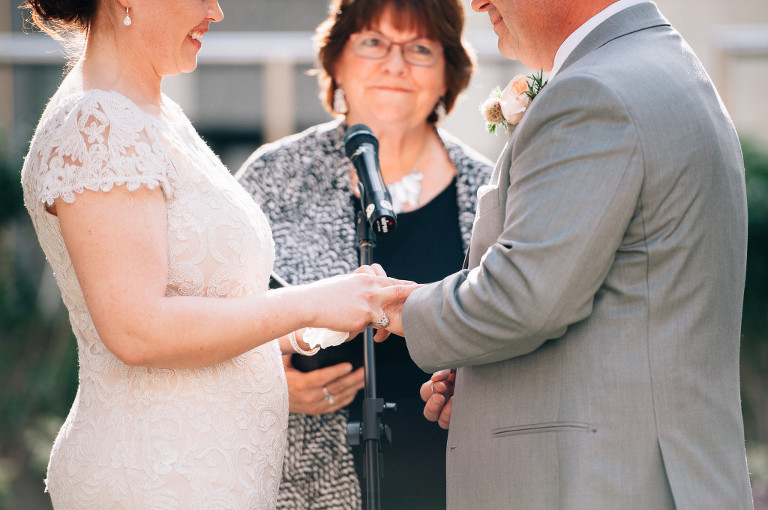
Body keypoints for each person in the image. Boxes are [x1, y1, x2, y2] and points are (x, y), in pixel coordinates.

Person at [19, 0, 415, 508]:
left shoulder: (157, 115)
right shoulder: (97, 123)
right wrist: (311, 302)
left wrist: (329, 316)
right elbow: (136, 329)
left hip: (210, 474)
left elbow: (209, 303)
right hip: (155, 475)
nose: (217, 11)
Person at [383, 0, 756, 508]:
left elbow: (523, 298)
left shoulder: (595, 90)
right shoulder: (662, 65)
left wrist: (396, 306)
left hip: (605, 484)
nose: (476, 3)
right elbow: (626, 297)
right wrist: (480, 380)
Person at [236, 0, 492, 507]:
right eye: (374, 42)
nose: (395, 65)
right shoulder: (274, 176)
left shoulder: (491, 189)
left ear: (448, 72)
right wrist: (267, 387)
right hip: (306, 488)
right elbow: (208, 317)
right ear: (336, 60)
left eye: (419, 47)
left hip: (456, 483)